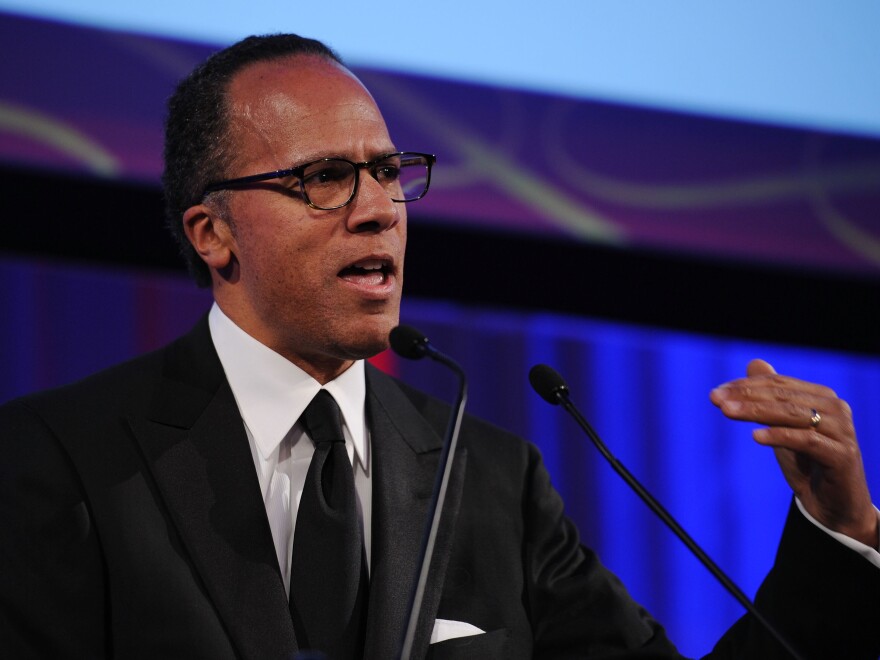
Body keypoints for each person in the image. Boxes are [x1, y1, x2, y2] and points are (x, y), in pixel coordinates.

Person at [1, 33, 879, 660]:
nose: (379, 207)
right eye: (324, 178)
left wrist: (837, 533)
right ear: (213, 232)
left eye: (387, 171)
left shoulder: (493, 483)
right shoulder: (59, 458)